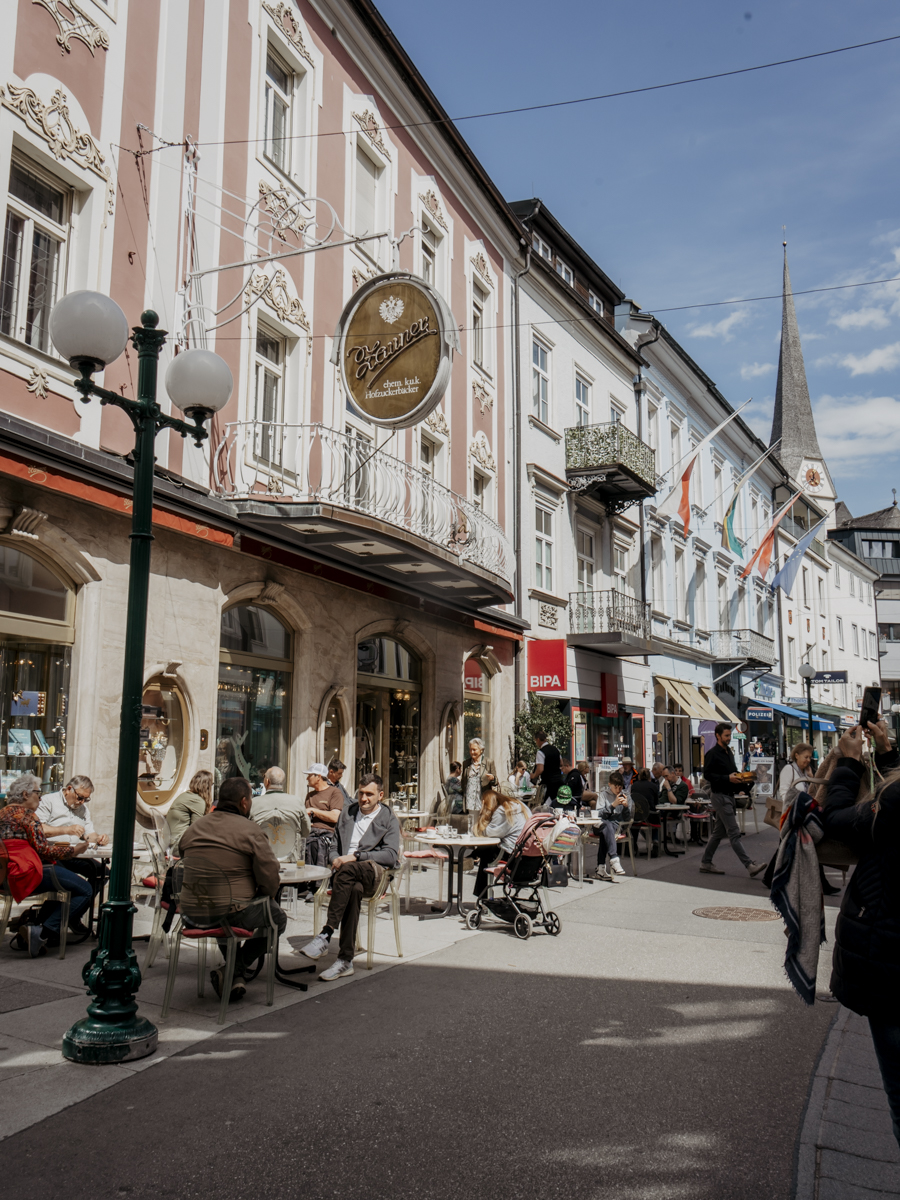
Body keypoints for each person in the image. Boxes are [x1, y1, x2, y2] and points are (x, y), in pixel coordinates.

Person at [821, 720, 900, 1148]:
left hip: (891, 968)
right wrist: (887, 757)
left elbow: (837, 821)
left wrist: (849, 764)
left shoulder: (894, 801)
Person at [178, 776, 286, 1004]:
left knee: (221, 907)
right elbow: (270, 881)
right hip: (230, 912)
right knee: (276, 916)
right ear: (244, 803)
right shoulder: (250, 830)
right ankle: (234, 969)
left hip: (192, 914)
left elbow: (181, 854)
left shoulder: (195, 827)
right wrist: (261, 892)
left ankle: (235, 976)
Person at [299, 772, 400, 981]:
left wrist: (355, 856)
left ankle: (326, 933)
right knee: (353, 889)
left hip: (373, 872)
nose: (364, 799)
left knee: (350, 869)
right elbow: (334, 845)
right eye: (361, 793)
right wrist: (337, 858)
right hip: (347, 876)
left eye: (370, 795)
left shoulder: (388, 818)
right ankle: (345, 960)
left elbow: (390, 855)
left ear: (380, 795)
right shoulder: (348, 813)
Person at [0, 774, 92, 953]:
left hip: (5, 877)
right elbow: (44, 850)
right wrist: (74, 851)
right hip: (26, 872)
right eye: (37, 792)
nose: (40, 797)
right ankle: (41, 932)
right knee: (85, 890)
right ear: (26, 794)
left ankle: (36, 925)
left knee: (69, 884)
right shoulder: (28, 816)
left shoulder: (2, 813)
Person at [700, 723, 767, 877]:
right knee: (734, 832)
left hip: (729, 794)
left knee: (719, 833)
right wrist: (727, 778)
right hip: (720, 795)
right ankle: (749, 865)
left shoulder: (728, 752)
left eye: (730, 736)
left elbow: (732, 773)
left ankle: (706, 862)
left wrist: (744, 779)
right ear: (718, 736)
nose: (729, 738)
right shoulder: (712, 754)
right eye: (726, 736)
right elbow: (708, 776)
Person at [36, 774, 108, 904]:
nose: (81, 802)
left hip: (74, 853)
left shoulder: (83, 809)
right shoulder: (48, 801)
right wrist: (66, 830)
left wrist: (98, 838)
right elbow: (39, 830)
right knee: (75, 885)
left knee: (102, 873)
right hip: (51, 854)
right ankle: (55, 918)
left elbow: (89, 833)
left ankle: (75, 912)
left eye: (86, 799)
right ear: (69, 789)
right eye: (80, 797)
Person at [471, 786, 531, 895]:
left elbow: (488, 833)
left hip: (512, 854)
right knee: (486, 850)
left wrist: (481, 815)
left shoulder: (502, 811)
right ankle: (472, 856)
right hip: (525, 854)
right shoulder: (520, 805)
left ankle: (482, 895)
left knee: (486, 854)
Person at [251, 766, 312, 841]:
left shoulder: (254, 803)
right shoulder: (297, 802)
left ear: (267, 781)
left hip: (261, 850)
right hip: (291, 850)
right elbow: (306, 831)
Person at [304, 762, 346, 868]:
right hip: (310, 833)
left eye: (309, 775)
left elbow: (335, 817)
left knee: (315, 845)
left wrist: (314, 811)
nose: (307, 778)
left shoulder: (334, 792)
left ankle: (317, 881)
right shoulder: (310, 795)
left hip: (326, 835)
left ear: (318, 777)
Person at [592, 770, 631, 879]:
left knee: (607, 831)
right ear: (610, 785)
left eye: (620, 787)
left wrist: (626, 807)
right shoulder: (603, 795)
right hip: (599, 825)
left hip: (615, 826)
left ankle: (601, 868)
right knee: (607, 826)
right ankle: (614, 859)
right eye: (616, 787)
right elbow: (599, 814)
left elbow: (628, 818)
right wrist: (613, 805)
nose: (618, 790)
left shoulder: (626, 795)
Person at [165, 769, 214, 855]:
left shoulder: (185, 795)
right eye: (212, 784)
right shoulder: (197, 801)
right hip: (179, 846)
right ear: (207, 786)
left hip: (170, 843)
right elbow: (197, 830)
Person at [460, 739, 497, 813]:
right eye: (470, 750)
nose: (472, 752)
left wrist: (492, 779)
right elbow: (463, 781)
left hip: (483, 799)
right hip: (470, 800)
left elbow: (495, 782)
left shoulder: (489, 762)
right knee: (471, 821)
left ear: (481, 750)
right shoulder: (466, 763)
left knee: (483, 821)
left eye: (474, 750)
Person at [631, 767, 661, 856]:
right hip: (650, 817)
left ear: (639, 777)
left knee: (635, 823)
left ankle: (634, 843)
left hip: (637, 816)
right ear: (649, 778)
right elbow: (656, 803)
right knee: (657, 817)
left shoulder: (634, 786)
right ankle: (655, 841)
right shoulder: (653, 786)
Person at [532, 731, 563, 805]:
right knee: (559, 803)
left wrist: (533, 776)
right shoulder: (556, 749)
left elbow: (540, 769)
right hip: (558, 781)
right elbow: (561, 763)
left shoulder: (541, 752)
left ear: (538, 739)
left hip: (547, 782)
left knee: (538, 803)